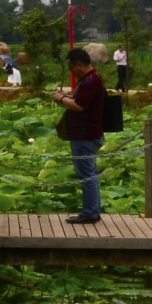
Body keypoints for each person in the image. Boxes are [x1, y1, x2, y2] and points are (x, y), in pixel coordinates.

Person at [53, 47, 106, 224]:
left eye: (72, 68)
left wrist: (60, 99)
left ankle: (90, 213)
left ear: (79, 64)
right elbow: (80, 99)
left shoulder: (91, 80)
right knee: (88, 174)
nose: (72, 72)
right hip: (87, 134)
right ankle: (92, 211)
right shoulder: (91, 79)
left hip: (85, 135)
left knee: (87, 175)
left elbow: (79, 106)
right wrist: (68, 96)